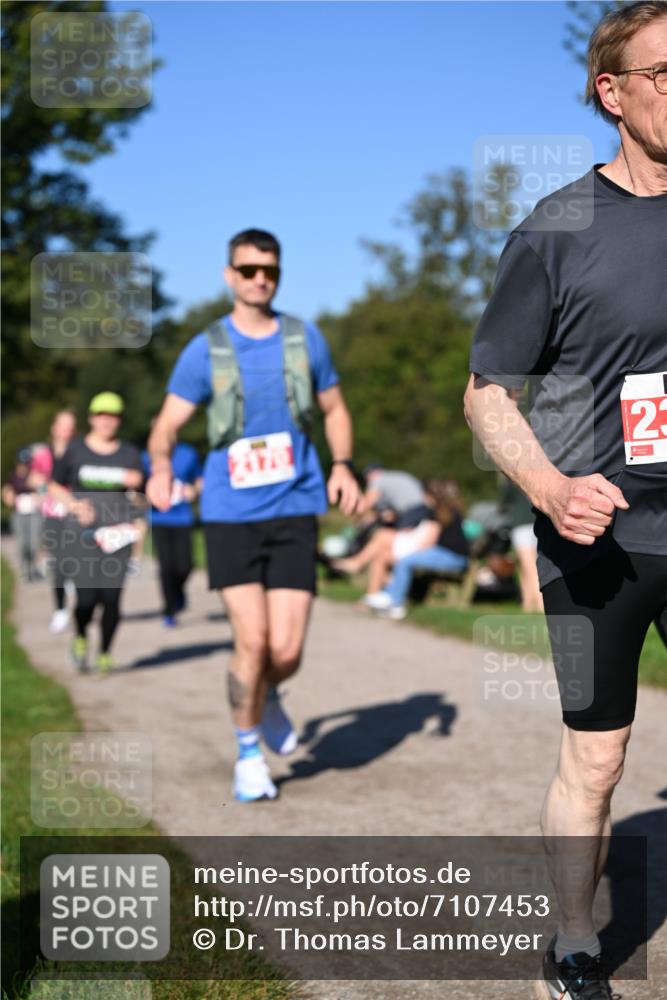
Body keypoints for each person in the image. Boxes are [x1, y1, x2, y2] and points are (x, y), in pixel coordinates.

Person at [464, 4, 667, 997]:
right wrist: (547, 487)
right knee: (598, 758)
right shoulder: (557, 229)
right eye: (666, 73)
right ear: (611, 93)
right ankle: (575, 939)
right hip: (601, 536)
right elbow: (485, 391)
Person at [146, 228, 360, 802]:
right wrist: (160, 466)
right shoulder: (206, 349)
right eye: (248, 270)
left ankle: (267, 698)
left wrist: (343, 465)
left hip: (295, 505)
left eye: (270, 270)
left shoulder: (304, 339)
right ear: (229, 275)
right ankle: (247, 755)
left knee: (286, 651)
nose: (260, 279)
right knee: (254, 640)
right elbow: (166, 427)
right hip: (229, 512)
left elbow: (335, 409)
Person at [49, 392, 144, 673]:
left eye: (113, 416)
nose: (107, 421)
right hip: (82, 533)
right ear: (91, 418)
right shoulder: (76, 450)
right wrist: (75, 506)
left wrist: (137, 491)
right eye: (102, 415)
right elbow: (53, 485)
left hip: (117, 536)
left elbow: (141, 497)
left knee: (112, 599)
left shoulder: (130, 454)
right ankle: (80, 635)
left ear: (120, 420)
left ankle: (104, 652)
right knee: (87, 599)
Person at [364, 479, 470, 619]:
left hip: (452, 557)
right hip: (452, 555)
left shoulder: (437, 512)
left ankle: (395, 604)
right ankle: (388, 595)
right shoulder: (448, 511)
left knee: (405, 561)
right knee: (403, 560)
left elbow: (429, 541)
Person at [332, 465, 436, 595]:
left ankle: (359, 564)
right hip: (419, 514)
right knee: (384, 548)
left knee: (384, 538)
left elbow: (367, 504)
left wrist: (353, 514)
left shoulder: (378, 481)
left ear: (371, 475)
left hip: (413, 513)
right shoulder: (396, 477)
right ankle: (381, 587)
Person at [143, 438, 203, 627]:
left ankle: (178, 593)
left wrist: (194, 490)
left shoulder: (188, 453)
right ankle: (169, 610)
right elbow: (137, 485)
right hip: (158, 519)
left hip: (183, 518)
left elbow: (199, 480)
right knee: (166, 567)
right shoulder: (146, 456)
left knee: (186, 565)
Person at [30, 410, 78, 632]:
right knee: (59, 563)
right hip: (53, 514)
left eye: (71, 426)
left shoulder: (79, 452)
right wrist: (43, 489)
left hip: (76, 514)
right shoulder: (43, 454)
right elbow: (33, 479)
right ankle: (60, 610)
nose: (67, 430)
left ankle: (81, 605)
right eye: (63, 425)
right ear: (54, 428)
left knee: (76, 560)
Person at [498, 474, 543, 613]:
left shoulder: (512, 479)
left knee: (530, 568)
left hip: (521, 527)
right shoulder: (538, 478)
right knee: (524, 567)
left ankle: (541, 604)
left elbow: (503, 504)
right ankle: (527, 604)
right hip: (538, 524)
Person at [2, 448, 43, 581]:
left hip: (34, 514)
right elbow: (7, 492)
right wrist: (8, 496)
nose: (24, 466)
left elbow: (44, 489)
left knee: (34, 543)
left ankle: (33, 567)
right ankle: (25, 569)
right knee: (22, 543)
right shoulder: (12, 477)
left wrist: (40, 493)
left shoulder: (35, 476)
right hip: (19, 514)